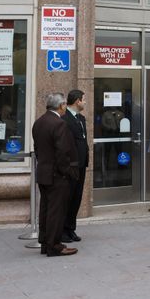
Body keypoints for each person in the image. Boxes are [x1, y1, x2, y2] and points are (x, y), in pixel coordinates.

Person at [31, 93, 79, 257]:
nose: (65, 107)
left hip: (43, 172)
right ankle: (54, 245)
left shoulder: (39, 122)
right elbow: (62, 153)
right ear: (61, 106)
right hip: (57, 175)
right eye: (65, 104)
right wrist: (67, 172)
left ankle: (45, 242)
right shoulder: (59, 124)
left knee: (45, 209)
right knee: (56, 212)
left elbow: (38, 149)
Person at [62, 90, 89, 244]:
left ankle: (71, 228)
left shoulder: (81, 118)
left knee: (77, 197)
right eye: (84, 100)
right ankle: (63, 230)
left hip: (81, 164)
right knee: (68, 197)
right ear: (77, 101)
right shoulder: (64, 119)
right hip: (71, 165)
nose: (85, 103)